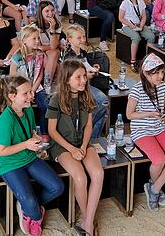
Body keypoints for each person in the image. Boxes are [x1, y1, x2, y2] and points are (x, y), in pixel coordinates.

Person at [0, 75, 65, 236]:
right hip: (9, 164)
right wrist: (26, 144)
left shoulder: (28, 111)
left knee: (57, 187)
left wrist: (35, 137)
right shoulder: (5, 120)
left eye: (31, 92)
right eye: (26, 93)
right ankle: (33, 213)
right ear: (12, 96)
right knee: (31, 202)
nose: (32, 96)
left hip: (29, 157)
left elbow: (31, 131)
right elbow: (0, 151)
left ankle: (27, 207)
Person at [46, 60, 103, 236]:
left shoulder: (86, 96)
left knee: (98, 174)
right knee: (80, 177)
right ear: (66, 79)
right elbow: (51, 131)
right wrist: (72, 149)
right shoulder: (56, 99)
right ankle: (88, 221)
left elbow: (88, 126)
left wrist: (84, 146)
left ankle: (87, 222)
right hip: (62, 146)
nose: (83, 81)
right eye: (78, 77)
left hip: (83, 143)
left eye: (84, 76)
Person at [126, 54, 165, 211]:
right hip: (141, 130)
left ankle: (155, 188)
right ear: (145, 73)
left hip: (159, 127)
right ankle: (157, 187)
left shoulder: (162, 87)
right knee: (159, 160)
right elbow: (129, 115)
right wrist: (148, 114)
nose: (160, 76)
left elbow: (161, 110)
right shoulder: (136, 90)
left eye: (162, 72)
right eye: (156, 73)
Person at [10, 25, 48, 133]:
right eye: (34, 38)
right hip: (21, 89)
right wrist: (26, 92)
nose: (37, 41)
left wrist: (33, 90)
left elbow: (40, 74)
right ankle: (26, 133)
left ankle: (44, 132)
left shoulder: (40, 54)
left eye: (38, 38)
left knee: (46, 106)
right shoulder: (17, 56)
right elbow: (12, 77)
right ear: (24, 40)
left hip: (36, 87)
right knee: (25, 108)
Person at [119, 0, 156, 71]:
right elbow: (121, 18)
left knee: (151, 36)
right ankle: (133, 60)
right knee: (136, 37)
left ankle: (147, 59)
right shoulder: (125, 3)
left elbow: (143, 16)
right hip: (128, 25)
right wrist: (131, 25)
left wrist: (142, 24)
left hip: (139, 24)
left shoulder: (140, 1)